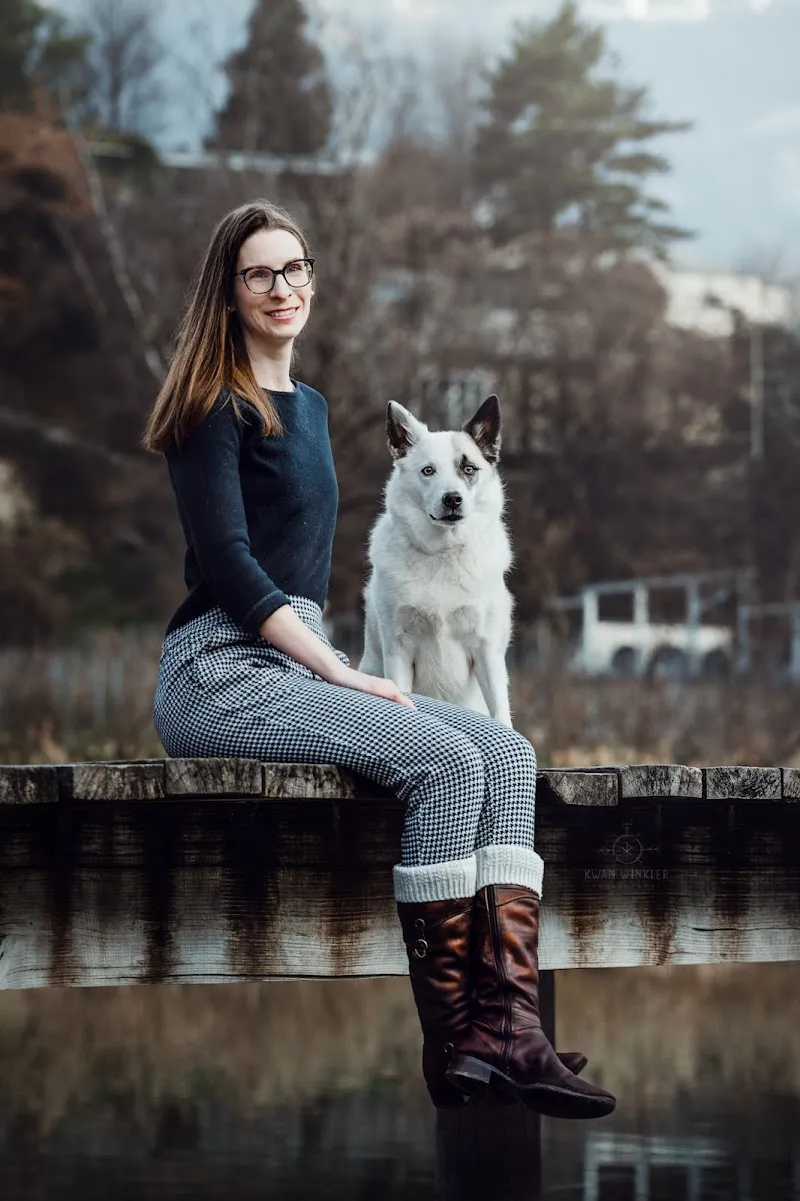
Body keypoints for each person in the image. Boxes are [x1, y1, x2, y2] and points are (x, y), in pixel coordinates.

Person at [142, 199, 615, 1120]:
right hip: (220, 671)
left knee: (506, 752)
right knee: (440, 759)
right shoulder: (212, 409)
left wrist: (329, 664)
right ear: (229, 294)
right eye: (259, 274)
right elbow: (234, 570)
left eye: (295, 268)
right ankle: (456, 1041)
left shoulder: (311, 407)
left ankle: (512, 1031)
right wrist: (342, 668)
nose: (283, 287)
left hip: (290, 666)